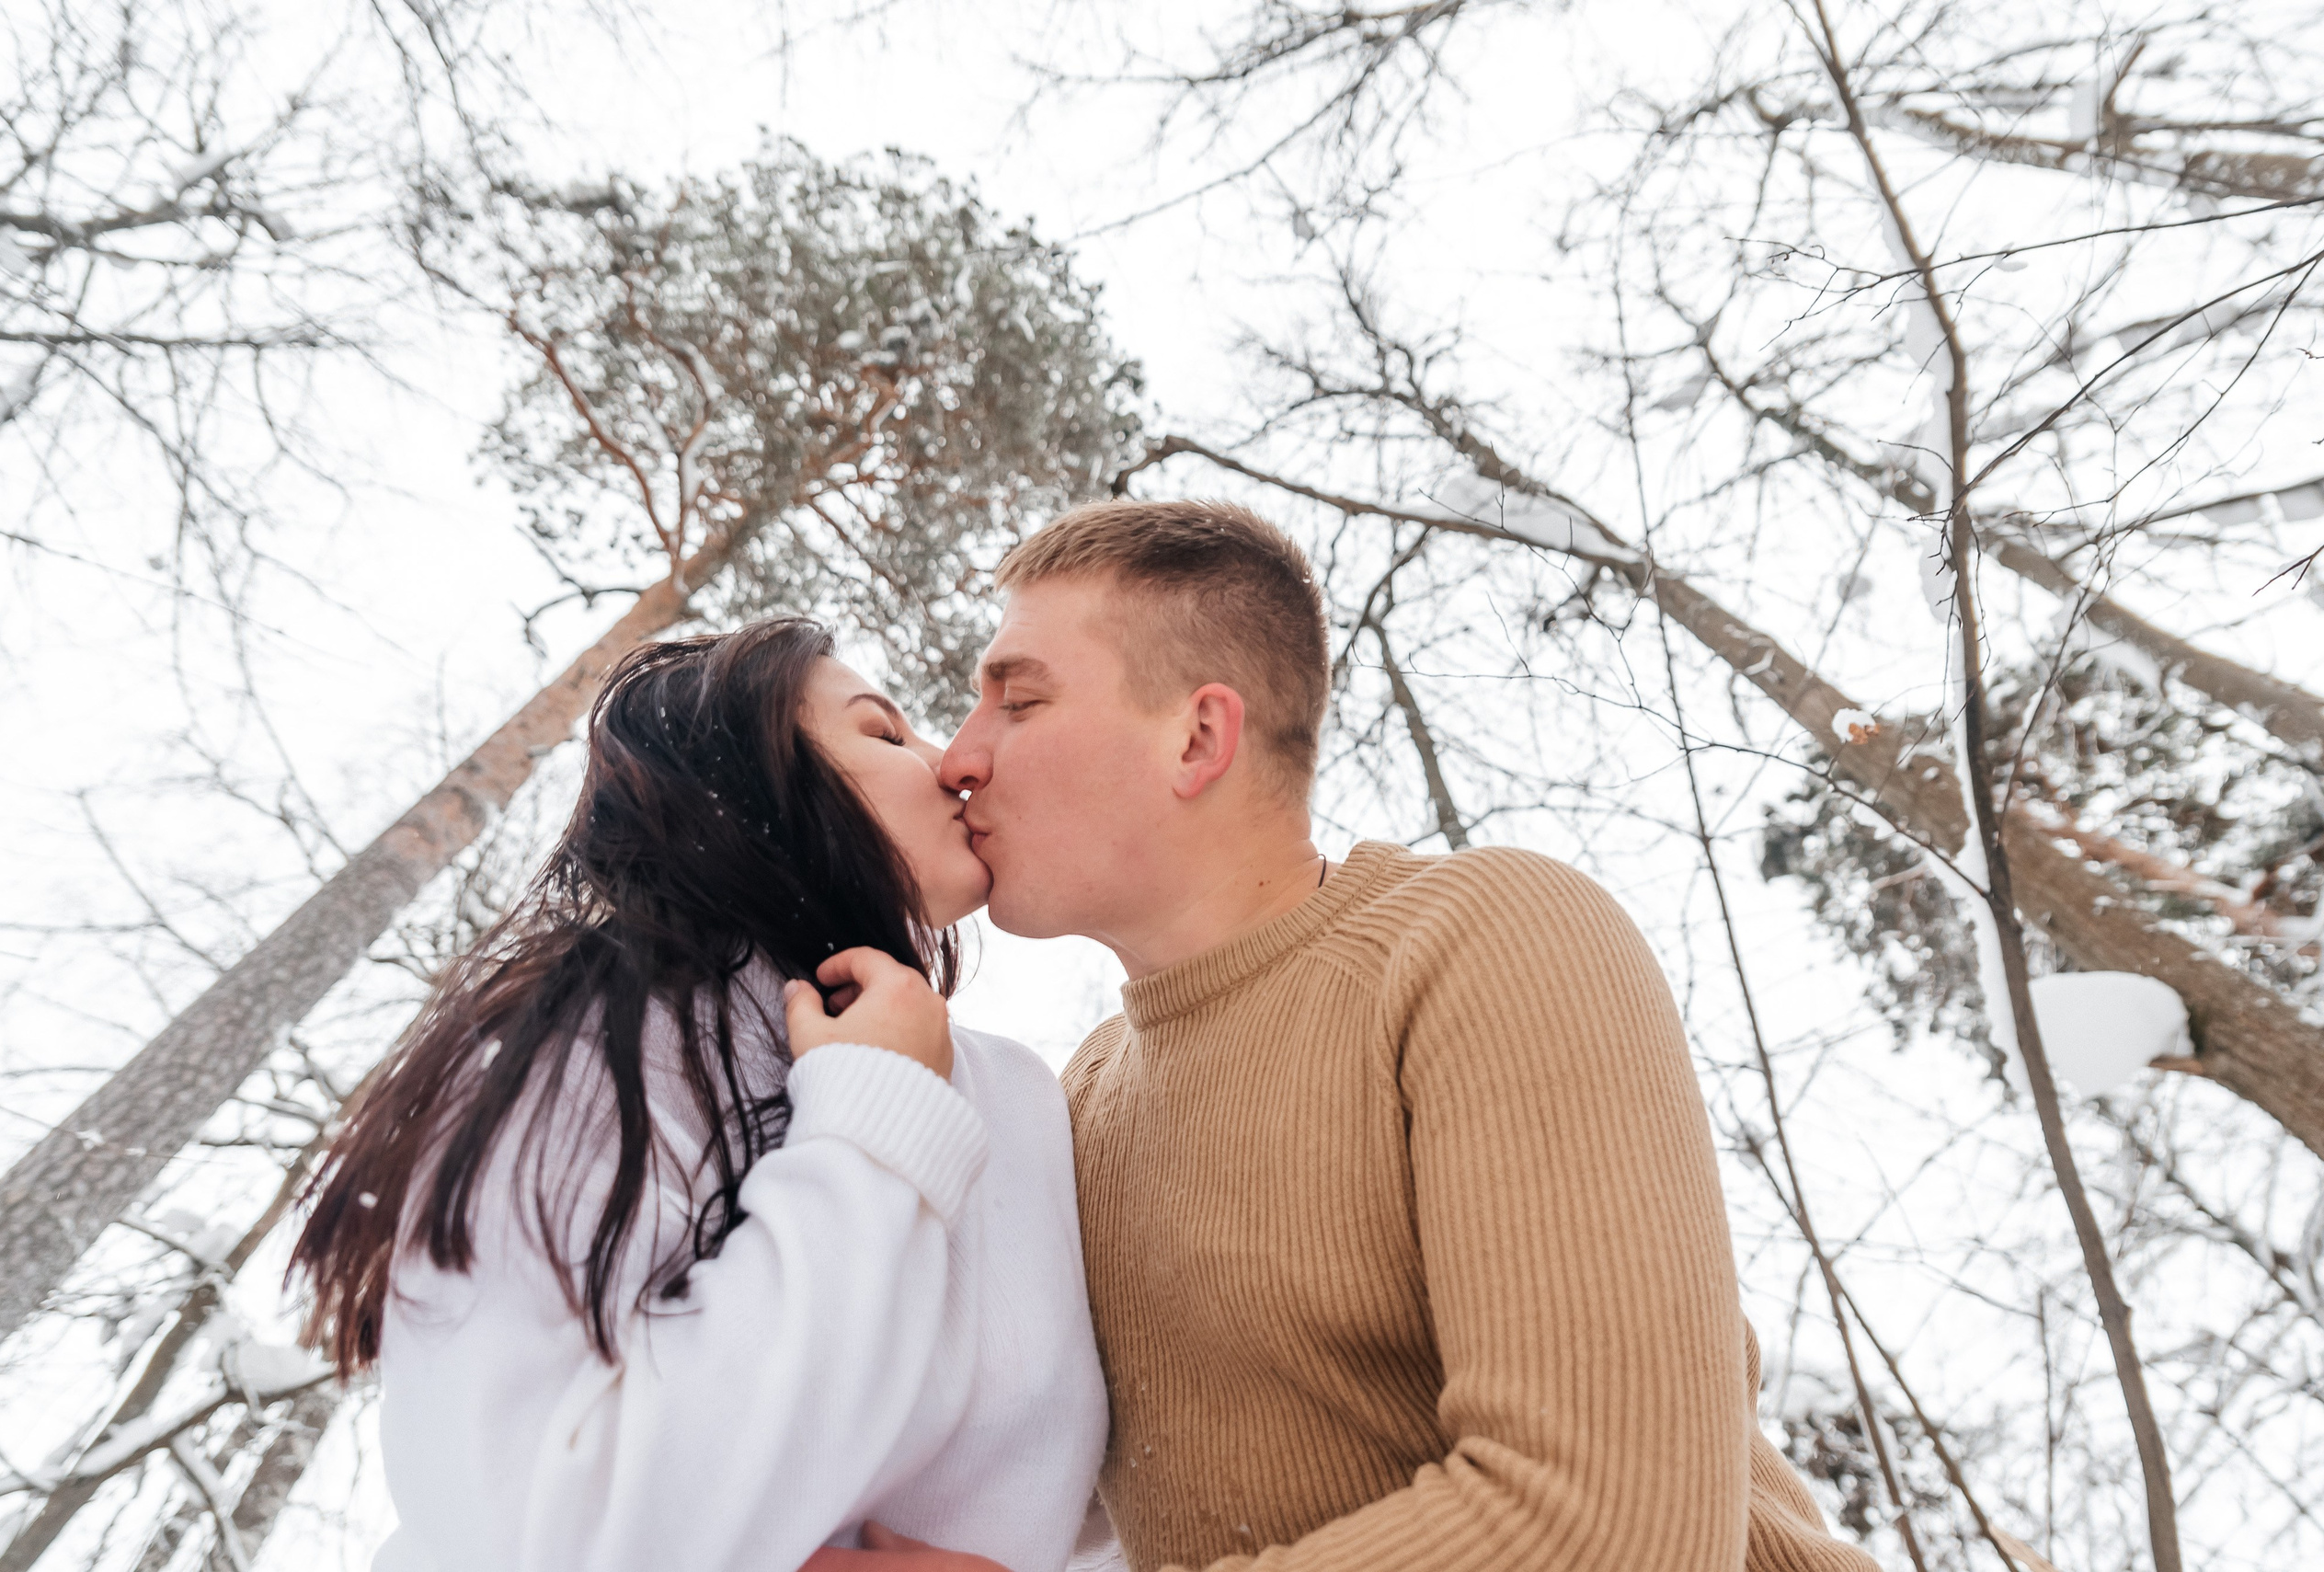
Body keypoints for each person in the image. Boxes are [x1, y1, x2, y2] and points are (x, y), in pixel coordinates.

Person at [846, 499, 1881, 1572]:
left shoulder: (1485, 938)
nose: (958, 756)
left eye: (1018, 699)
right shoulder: (1076, 1101)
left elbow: (1605, 1530)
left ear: (1197, 736)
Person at [289, 619, 1105, 1572]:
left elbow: (1077, 1501)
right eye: (885, 733)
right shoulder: (610, 1025)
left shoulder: (1017, 1090)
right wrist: (873, 1127)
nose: (954, 762)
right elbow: (549, 1523)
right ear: (756, 787)